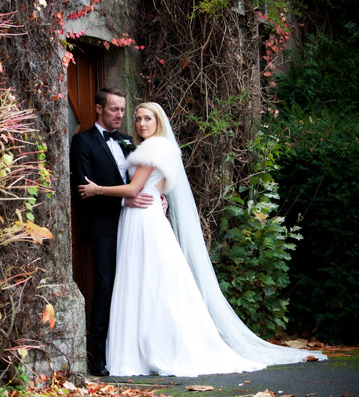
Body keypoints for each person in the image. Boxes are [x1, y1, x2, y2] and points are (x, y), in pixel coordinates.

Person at [77, 102, 326, 376]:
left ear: (159, 121)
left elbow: (136, 188)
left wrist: (96, 189)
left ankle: (154, 348)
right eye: (137, 119)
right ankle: (145, 346)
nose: (140, 123)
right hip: (141, 218)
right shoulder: (156, 148)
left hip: (144, 221)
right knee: (146, 281)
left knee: (148, 281)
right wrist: (160, 198)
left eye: (147, 118)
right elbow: (153, 187)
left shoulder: (153, 149)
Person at [70, 88, 161, 377]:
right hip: (104, 227)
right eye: (114, 110)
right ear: (99, 109)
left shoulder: (130, 142)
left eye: (123, 110)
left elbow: (149, 176)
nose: (120, 115)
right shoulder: (82, 141)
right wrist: (124, 199)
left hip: (136, 225)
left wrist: (160, 194)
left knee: (135, 287)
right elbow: (83, 189)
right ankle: (98, 356)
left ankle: (135, 351)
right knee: (106, 287)